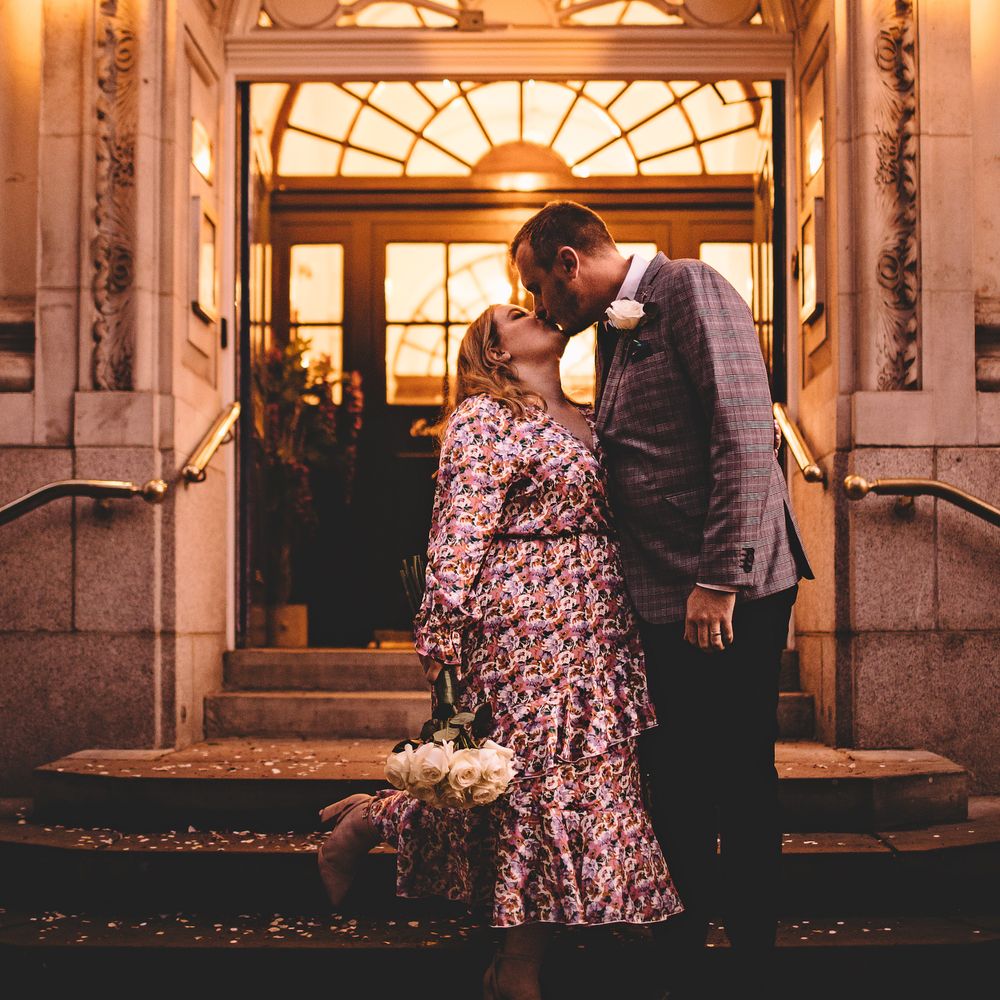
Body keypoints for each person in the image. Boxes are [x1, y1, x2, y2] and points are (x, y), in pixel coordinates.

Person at [317, 302, 683, 1000]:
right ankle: (514, 966)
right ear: (495, 350)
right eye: (516, 312)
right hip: (523, 622)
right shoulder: (486, 418)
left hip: (600, 626)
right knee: (528, 788)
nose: (537, 311)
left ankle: (372, 817)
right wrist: (442, 628)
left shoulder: (591, 411)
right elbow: (459, 527)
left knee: (582, 788)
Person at [511, 202, 814, 995]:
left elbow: (746, 435)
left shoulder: (689, 288)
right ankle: (681, 951)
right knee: (675, 774)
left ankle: (752, 954)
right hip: (662, 596)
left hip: (726, 591)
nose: (540, 306)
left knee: (740, 768)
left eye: (537, 285)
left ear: (570, 262)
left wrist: (719, 578)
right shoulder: (614, 332)